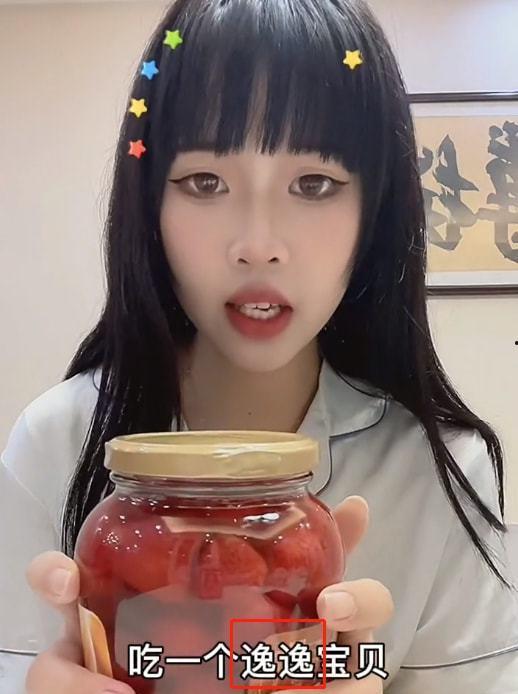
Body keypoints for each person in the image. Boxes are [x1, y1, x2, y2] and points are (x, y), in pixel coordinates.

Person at [1, 0, 518, 692]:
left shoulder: (438, 469)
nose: (258, 246)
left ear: (376, 210)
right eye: (205, 182)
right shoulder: (56, 443)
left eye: (314, 184)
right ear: (149, 202)